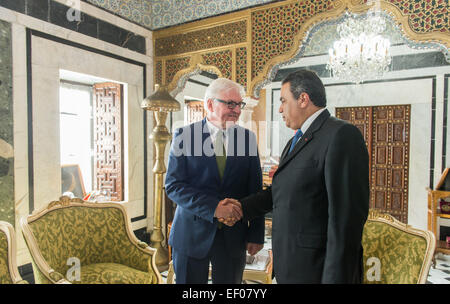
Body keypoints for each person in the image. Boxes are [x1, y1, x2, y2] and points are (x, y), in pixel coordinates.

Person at [221, 69, 369, 283]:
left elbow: (345, 221)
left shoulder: (341, 135)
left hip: (317, 270)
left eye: (283, 100)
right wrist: (241, 208)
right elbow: (280, 193)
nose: (280, 109)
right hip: (292, 265)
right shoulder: (296, 140)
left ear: (303, 99)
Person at [165, 78, 265, 284]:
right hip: (190, 235)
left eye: (239, 104)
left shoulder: (247, 139)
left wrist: (256, 233)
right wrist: (214, 208)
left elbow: (255, 190)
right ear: (210, 104)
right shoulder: (184, 136)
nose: (237, 110)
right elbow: (174, 186)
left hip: (233, 237)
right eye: (231, 104)